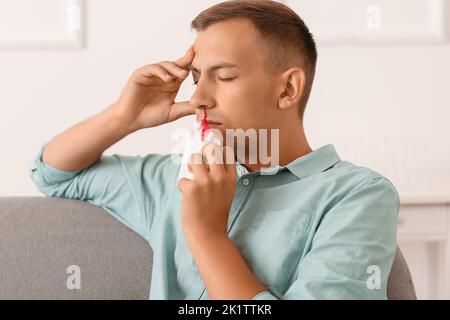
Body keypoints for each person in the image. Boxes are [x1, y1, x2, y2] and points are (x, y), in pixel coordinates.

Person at [29, 0, 399, 300]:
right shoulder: (176, 178)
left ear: (288, 89)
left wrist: (206, 234)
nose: (199, 98)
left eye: (224, 77)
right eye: (195, 77)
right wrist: (125, 116)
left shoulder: (357, 195)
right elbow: (53, 173)